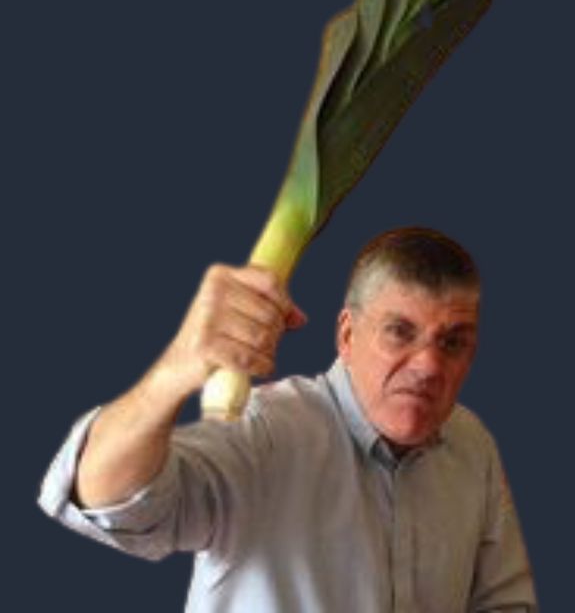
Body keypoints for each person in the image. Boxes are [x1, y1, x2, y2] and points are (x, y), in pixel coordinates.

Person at [39, 226, 538, 612]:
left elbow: (503, 604)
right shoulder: (264, 431)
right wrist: (178, 367)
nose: (429, 365)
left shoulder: (474, 446)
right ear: (346, 335)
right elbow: (108, 500)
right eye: (399, 332)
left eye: (452, 342)